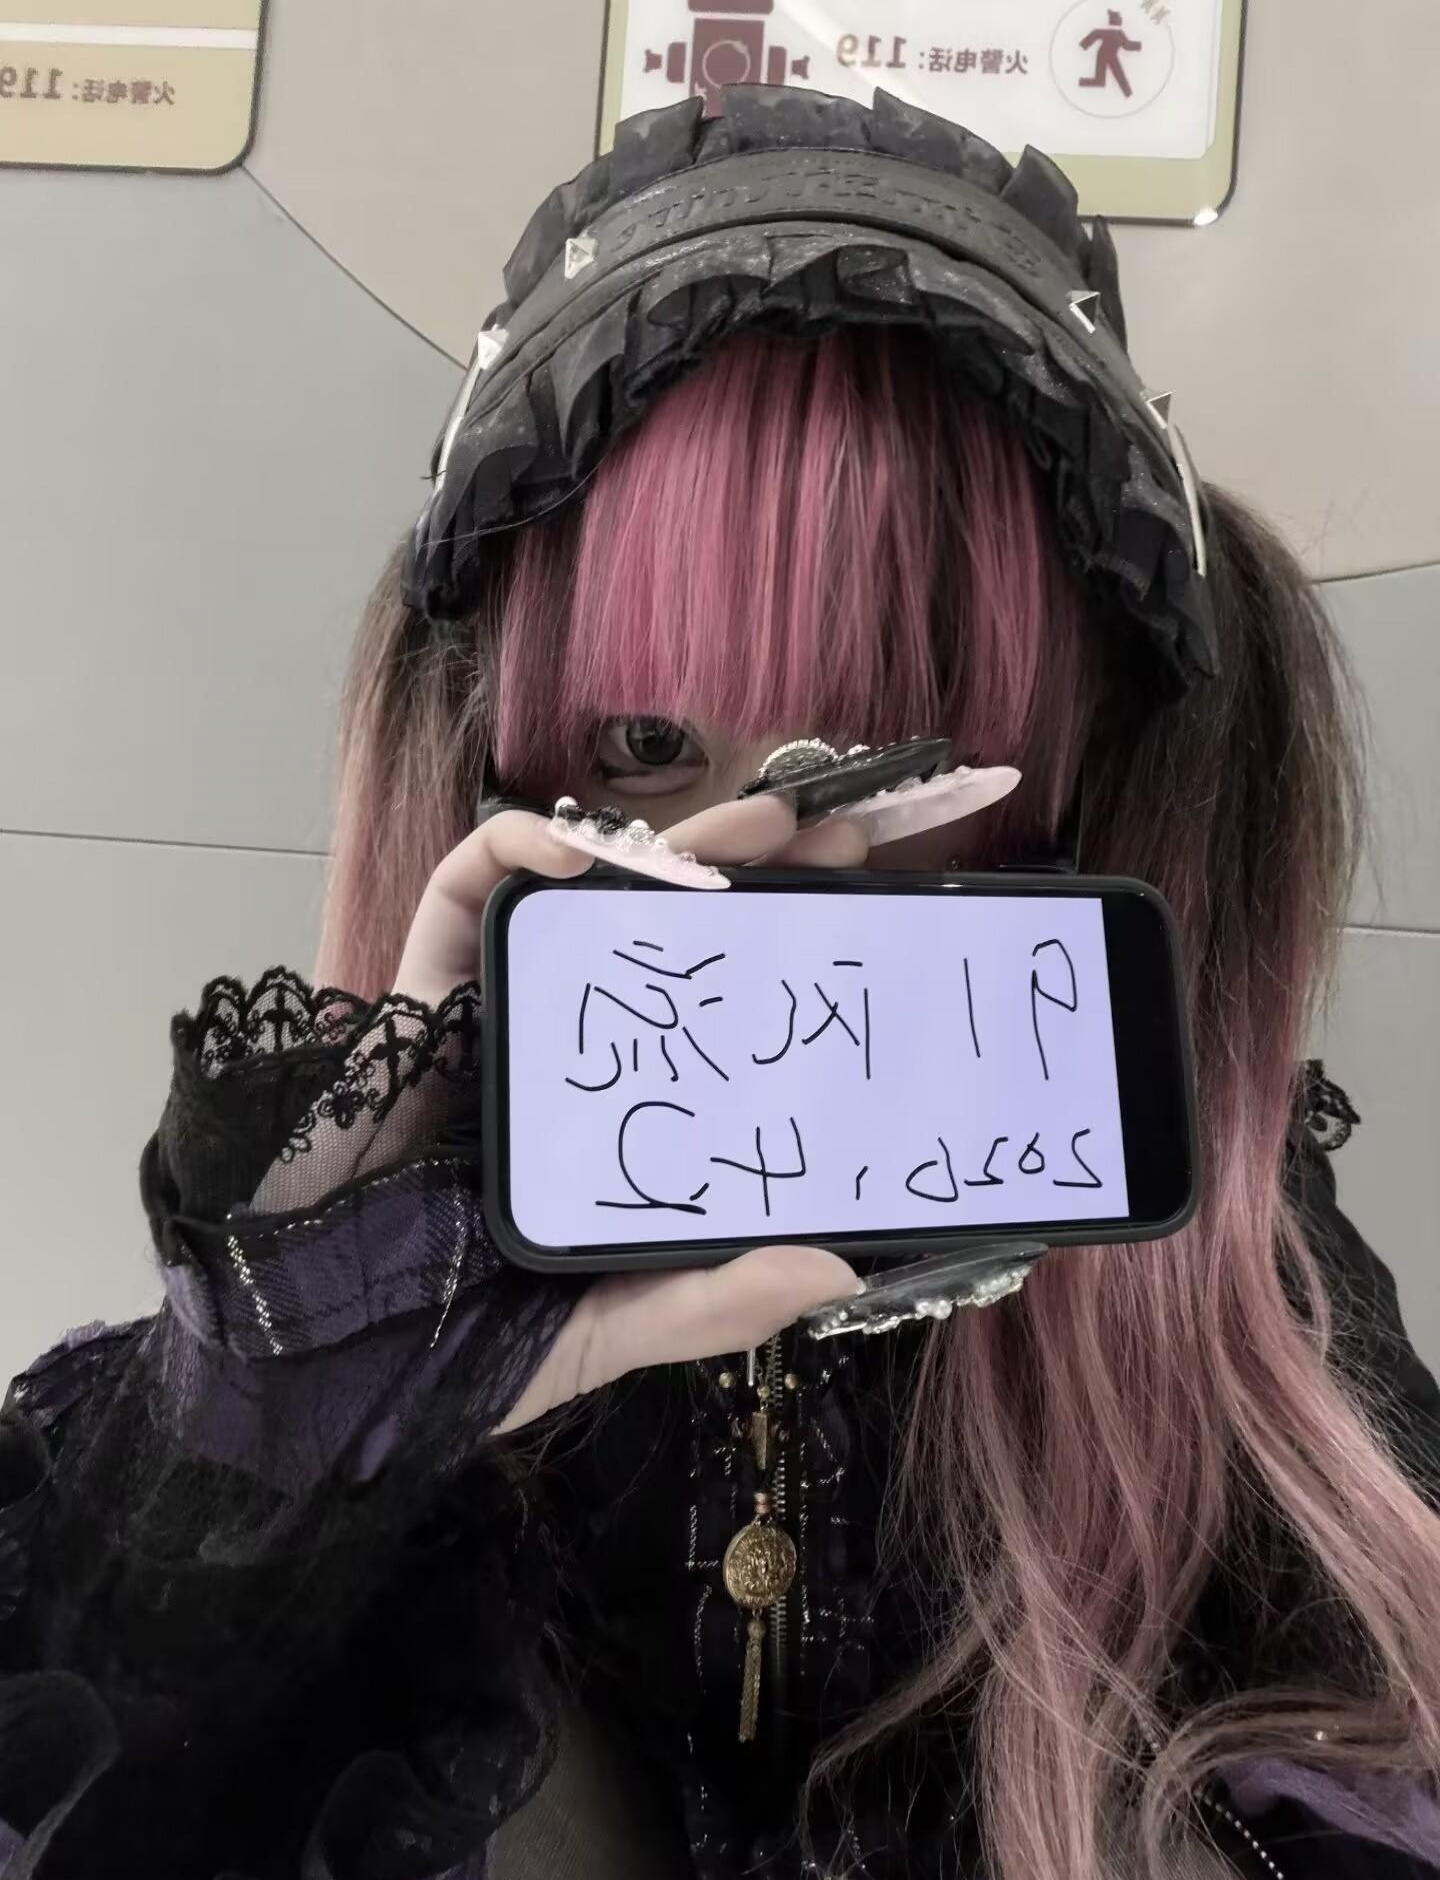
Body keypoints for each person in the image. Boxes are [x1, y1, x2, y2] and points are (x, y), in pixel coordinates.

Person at [2, 85, 1438, 1880]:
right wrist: (280, 1413)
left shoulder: (1225, 1274)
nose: (773, 847)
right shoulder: (364, 1274)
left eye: (900, 753)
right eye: (644, 742)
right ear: (492, 762)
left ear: (1073, 783)